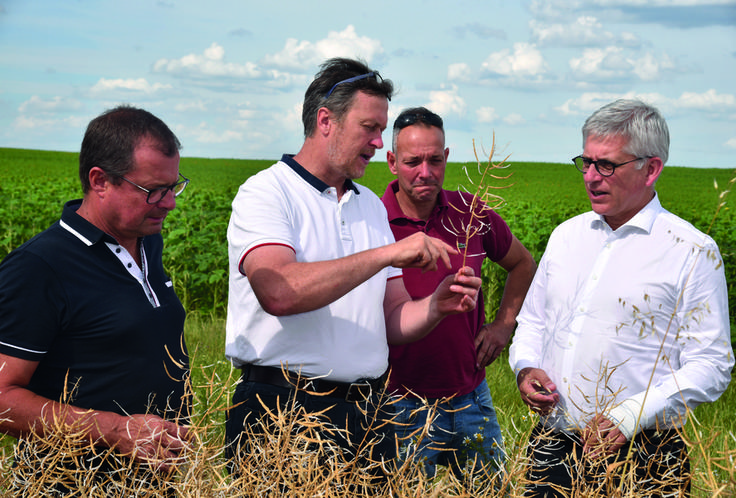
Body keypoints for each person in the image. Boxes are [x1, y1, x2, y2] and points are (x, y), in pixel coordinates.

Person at [224, 58, 482, 481]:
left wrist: (435, 307)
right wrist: (386, 255)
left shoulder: (368, 207)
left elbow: (391, 317)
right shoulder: (267, 192)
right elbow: (281, 292)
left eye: (381, 130)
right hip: (283, 412)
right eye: (369, 128)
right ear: (326, 120)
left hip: (367, 414)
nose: (379, 143)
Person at [508, 99, 733, 497]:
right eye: (587, 162)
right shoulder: (566, 236)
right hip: (553, 446)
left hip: (644, 456)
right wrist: (525, 368)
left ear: (651, 169)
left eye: (607, 165)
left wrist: (632, 415)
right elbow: (534, 322)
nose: (591, 177)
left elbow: (712, 363)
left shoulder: (691, 250)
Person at [0, 105, 192, 493]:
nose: (170, 203)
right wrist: (115, 430)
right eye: (153, 190)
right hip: (71, 484)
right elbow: (2, 398)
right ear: (100, 180)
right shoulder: (40, 266)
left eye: (174, 186)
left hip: (154, 482)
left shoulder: (146, 243)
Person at [382, 107, 536, 479]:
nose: (425, 172)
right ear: (391, 162)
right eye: (412, 161)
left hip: (471, 397)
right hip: (400, 403)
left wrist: (503, 325)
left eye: (435, 160)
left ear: (446, 157)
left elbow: (523, 264)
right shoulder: (373, 219)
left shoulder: (470, 213)